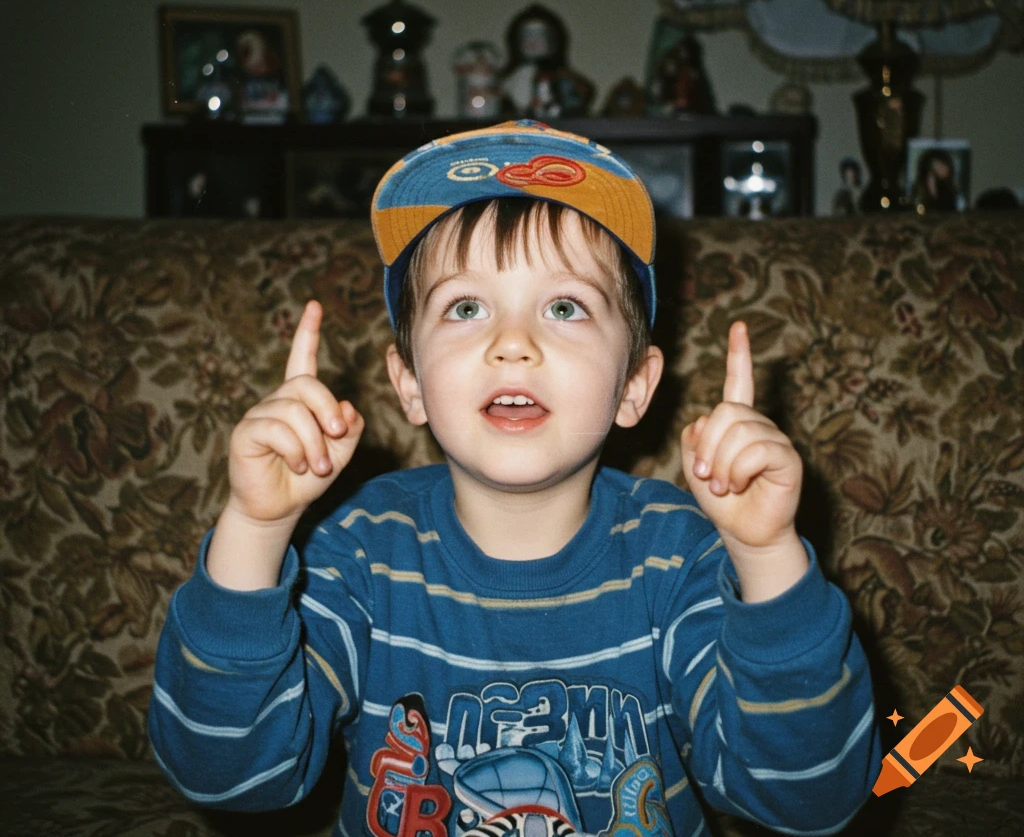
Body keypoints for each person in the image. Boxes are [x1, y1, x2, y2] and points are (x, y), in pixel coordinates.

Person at [149, 121, 882, 837]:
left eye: (564, 307)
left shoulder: (681, 555)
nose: (512, 344)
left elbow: (810, 802)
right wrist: (256, 532)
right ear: (408, 384)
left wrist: (767, 559)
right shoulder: (362, 553)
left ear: (634, 385)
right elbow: (228, 778)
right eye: (466, 307)